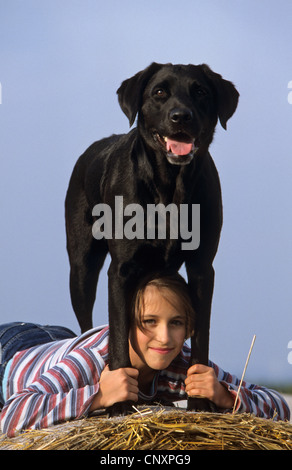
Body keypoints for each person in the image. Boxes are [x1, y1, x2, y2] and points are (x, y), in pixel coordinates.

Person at [0, 273, 290, 437]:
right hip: (11, 352)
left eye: (175, 323)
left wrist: (225, 396)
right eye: (149, 321)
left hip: (60, 341)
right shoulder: (94, 361)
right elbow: (10, 415)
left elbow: (281, 409)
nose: (164, 338)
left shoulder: (183, 365)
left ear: (189, 327)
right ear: (124, 323)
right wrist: (99, 396)